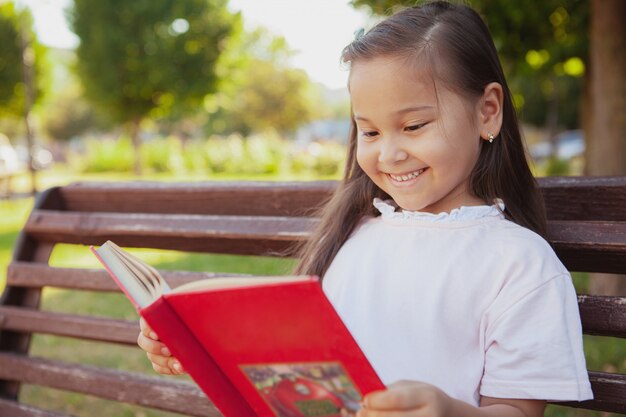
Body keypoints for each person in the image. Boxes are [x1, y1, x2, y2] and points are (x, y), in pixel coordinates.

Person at [138, 2, 593, 416]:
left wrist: (450, 412)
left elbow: (518, 410)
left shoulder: (519, 263)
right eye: (370, 133)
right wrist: (197, 349)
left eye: (413, 125)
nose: (389, 153)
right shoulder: (354, 235)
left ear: (488, 111)